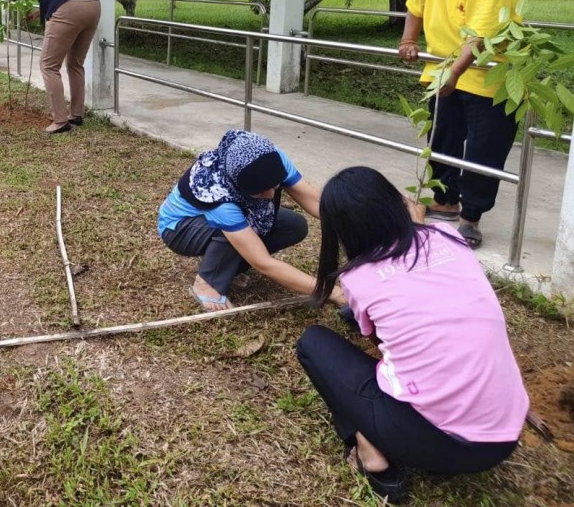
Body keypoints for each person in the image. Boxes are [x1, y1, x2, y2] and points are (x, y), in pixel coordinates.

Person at [297, 166, 528, 503]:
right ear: (395, 202)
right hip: (507, 435)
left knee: (313, 344)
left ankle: (370, 453)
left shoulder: (359, 278)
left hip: (443, 445)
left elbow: (375, 338)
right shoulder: (446, 235)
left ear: (341, 230)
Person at [398, 0, 521, 247]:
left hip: (489, 71)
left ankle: (471, 216)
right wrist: (409, 40)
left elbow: (482, 31)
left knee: (485, 147)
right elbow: (416, 5)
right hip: (443, 68)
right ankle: (445, 201)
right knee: (443, 138)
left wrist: (456, 72)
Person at [157, 129, 342, 311]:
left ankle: (226, 267)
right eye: (260, 192)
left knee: (293, 226)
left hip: (222, 216)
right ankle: (206, 283)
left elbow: (314, 200)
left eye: (274, 186)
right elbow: (263, 263)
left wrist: (349, 226)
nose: (271, 195)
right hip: (179, 229)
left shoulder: (270, 158)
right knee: (238, 235)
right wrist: (331, 292)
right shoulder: (219, 197)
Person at [4, 0, 100, 134]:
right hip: (92, 4)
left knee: (48, 65)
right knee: (75, 63)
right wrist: (41, 11)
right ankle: (76, 114)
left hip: (67, 8)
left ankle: (60, 121)